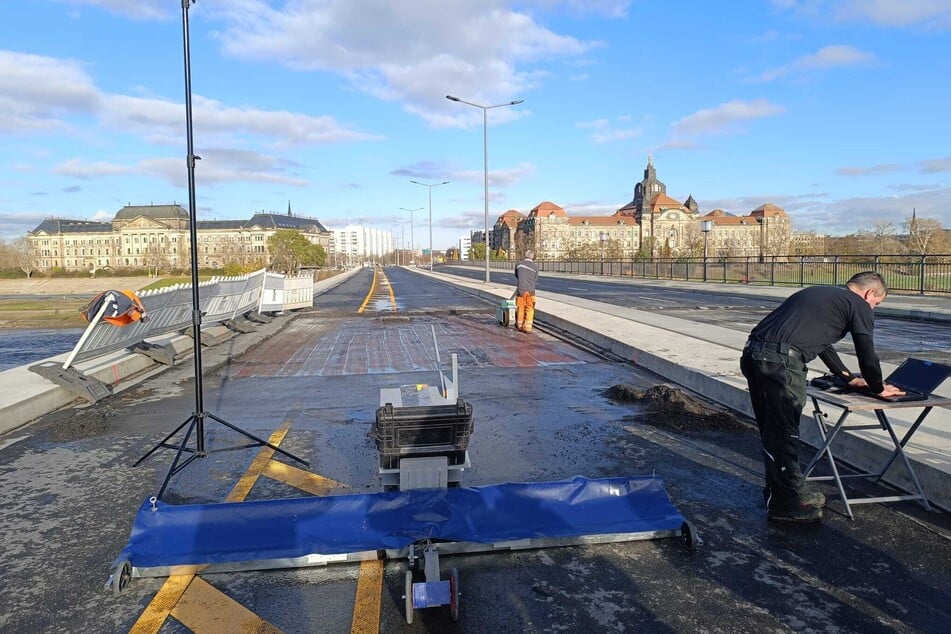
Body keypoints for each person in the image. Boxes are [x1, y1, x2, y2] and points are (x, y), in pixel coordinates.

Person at [740, 271, 905, 522]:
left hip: (754, 355)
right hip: (780, 365)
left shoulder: (820, 294)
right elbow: (867, 351)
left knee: (772, 431)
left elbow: (823, 345)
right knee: (784, 434)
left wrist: (849, 378)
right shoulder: (859, 304)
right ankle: (789, 505)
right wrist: (877, 387)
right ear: (870, 293)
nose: (874, 308)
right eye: (877, 303)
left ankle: (780, 493)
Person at [514, 249, 539, 332]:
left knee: (520, 308)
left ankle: (520, 325)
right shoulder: (535, 266)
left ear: (525, 255)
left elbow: (516, 275)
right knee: (530, 308)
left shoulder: (519, 264)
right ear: (532, 257)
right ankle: (528, 327)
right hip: (531, 291)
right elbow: (535, 279)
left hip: (521, 290)